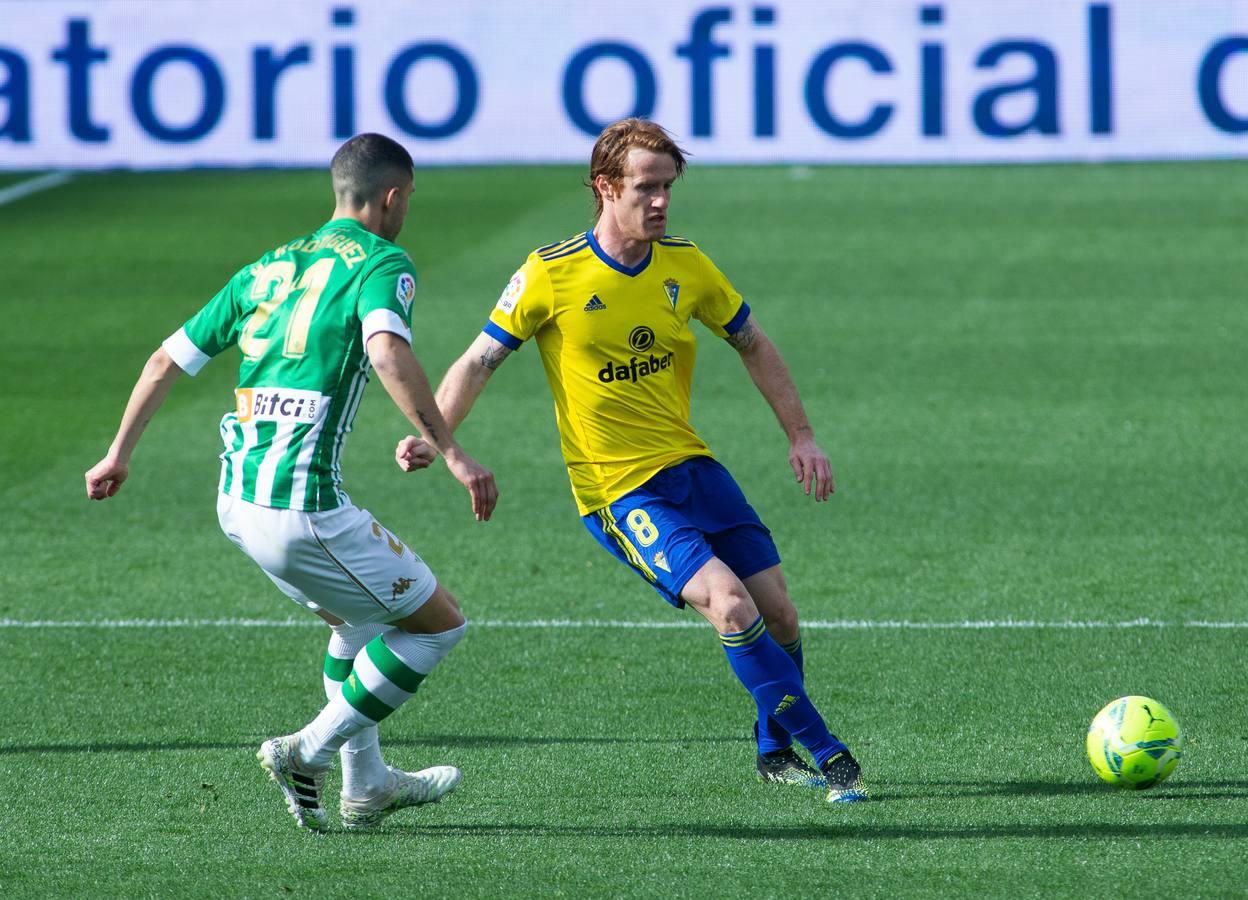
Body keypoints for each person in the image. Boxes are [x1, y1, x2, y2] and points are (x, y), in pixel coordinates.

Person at [400, 118, 867, 802]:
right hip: (619, 490)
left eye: (668, 187)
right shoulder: (550, 273)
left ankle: (773, 751)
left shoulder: (686, 264)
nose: (660, 201)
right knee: (731, 607)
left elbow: (754, 343)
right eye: (646, 187)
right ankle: (829, 753)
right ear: (605, 187)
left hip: (694, 468)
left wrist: (801, 435)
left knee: (782, 615)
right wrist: (435, 435)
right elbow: (478, 362)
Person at [84, 133, 499, 831]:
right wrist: (451, 451)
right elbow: (387, 350)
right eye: (410, 200)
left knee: (360, 621)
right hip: (303, 510)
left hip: (237, 504)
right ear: (393, 198)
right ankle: (307, 750)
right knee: (438, 629)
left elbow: (165, 360)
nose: (408, 213)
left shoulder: (266, 267)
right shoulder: (382, 260)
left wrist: (117, 452)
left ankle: (366, 788)